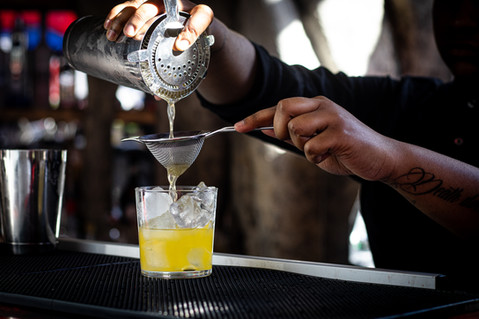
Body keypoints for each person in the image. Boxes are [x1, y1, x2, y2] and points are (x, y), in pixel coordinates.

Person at [104, 0, 479, 284]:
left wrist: (391, 159)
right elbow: (268, 86)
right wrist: (206, 38)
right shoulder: (409, 106)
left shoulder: (390, 126)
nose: (461, 20)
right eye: (449, 2)